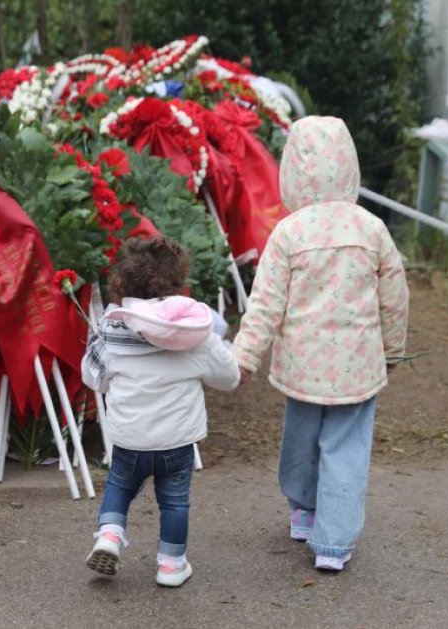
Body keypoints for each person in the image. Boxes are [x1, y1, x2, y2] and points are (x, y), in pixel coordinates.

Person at [233, 116, 409, 572]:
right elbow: (394, 298)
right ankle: (334, 543)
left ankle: (304, 510)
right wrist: (393, 348)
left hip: (303, 367)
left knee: (301, 439)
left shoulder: (289, 233)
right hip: (357, 367)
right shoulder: (372, 229)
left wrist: (245, 355)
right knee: (346, 451)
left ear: (291, 170)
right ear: (350, 166)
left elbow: (265, 303)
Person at [81, 237, 240, 587]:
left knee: (120, 487)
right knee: (175, 503)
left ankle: (109, 534)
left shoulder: (113, 327)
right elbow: (229, 378)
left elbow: (93, 376)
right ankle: (170, 565)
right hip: (177, 441)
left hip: (130, 436)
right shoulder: (196, 332)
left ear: (123, 284)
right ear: (179, 283)